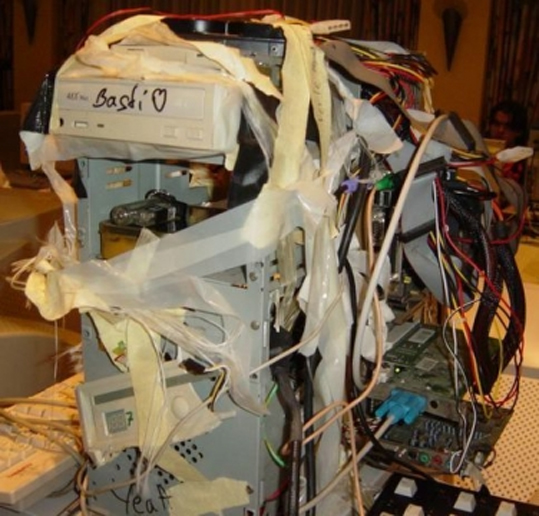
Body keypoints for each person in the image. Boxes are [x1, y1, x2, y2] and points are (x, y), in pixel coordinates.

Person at [486, 100, 530, 185]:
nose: (500, 130)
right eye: (496, 124)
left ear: (518, 131)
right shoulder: (479, 151)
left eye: (507, 127)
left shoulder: (522, 162)